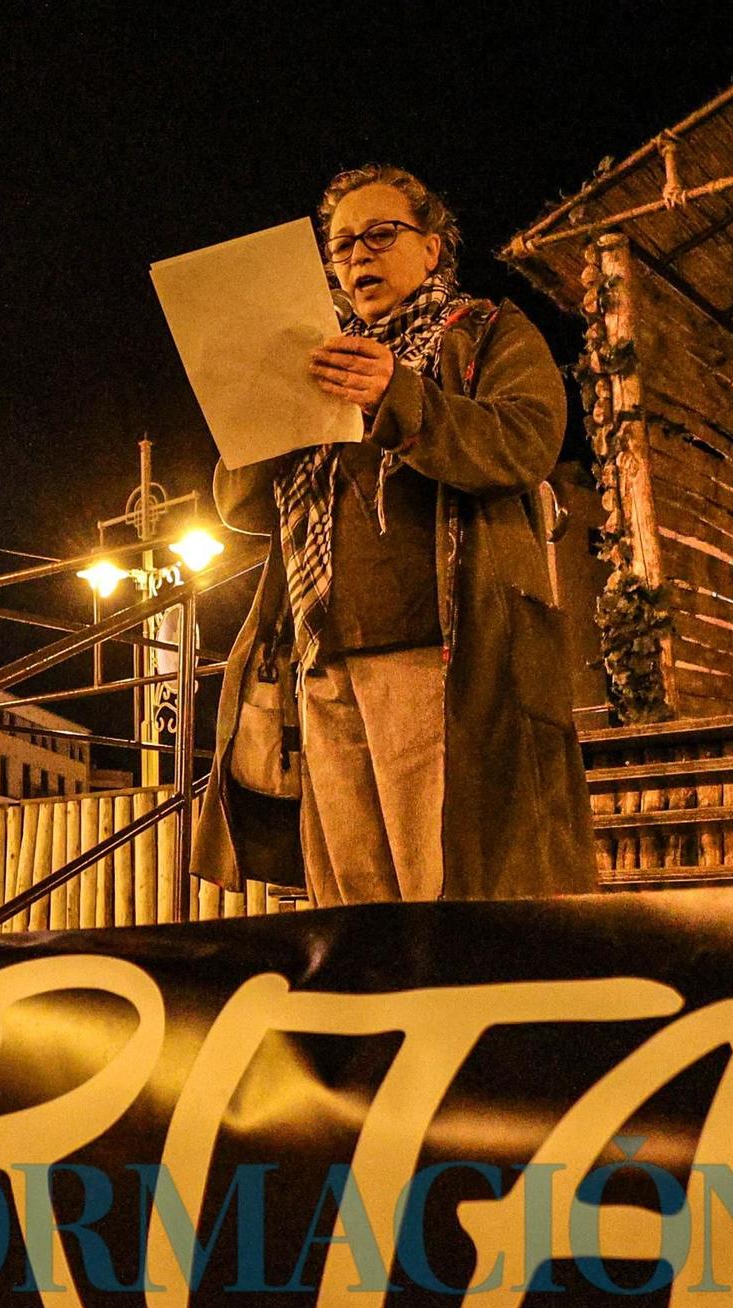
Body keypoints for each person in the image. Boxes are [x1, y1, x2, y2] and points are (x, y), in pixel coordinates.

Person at [193, 164, 596, 905]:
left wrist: (395, 393)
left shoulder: (485, 333)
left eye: (381, 235)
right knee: (355, 905)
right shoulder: (315, 356)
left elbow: (524, 438)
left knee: (445, 892)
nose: (356, 257)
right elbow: (244, 507)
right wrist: (256, 402)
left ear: (434, 248)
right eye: (341, 245)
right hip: (323, 661)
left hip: (440, 659)